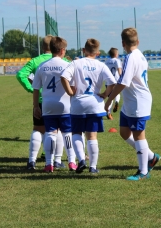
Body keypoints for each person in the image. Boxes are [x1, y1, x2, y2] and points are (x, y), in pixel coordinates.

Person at [105, 28, 160, 181]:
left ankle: (143, 171)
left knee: (138, 135)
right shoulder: (140, 55)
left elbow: (124, 82)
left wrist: (109, 99)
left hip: (138, 101)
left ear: (123, 43)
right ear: (138, 41)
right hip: (130, 102)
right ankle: (151, 156)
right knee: (124, 132)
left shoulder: (131, 57)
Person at [61, 38, 116, 174]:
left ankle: (81, 160)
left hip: (78, 103)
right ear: (97, 52)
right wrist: (104, 94)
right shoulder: (101, 65)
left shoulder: (76, 63)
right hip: (94, 103)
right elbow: (112, 83)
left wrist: (69, 92)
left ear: (84, 50)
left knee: (76, 133)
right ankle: (93, 167)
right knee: (92, 136)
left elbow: (63, 77)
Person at [16, 35, 67, 170]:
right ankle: (57, 160)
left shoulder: (36, 61)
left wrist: (31, 89)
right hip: (59, 101)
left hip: (40, 100)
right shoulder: (63, 60)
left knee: (38, 129)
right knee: (59, 131)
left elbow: (20, 74)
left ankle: (31, 161)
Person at [32, 36, 77, 172]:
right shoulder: (67, 65)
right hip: (64, 105)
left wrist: (35, 106)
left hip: (47, 104)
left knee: (50, 134)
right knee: (67, 134)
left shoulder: (42, 66)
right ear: (62, 50)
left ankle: (48, 164)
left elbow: (35, 88)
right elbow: (74, 88)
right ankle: (71, 162)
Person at [104, 47, 122, 120]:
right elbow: (119, 71)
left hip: (108, 82)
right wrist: (122, 78)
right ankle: (117, 102)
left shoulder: (106, 61)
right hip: (116, 81)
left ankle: (108, 112)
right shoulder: (117, 61)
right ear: (115, 54)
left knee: (110, 97)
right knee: (117, 94)